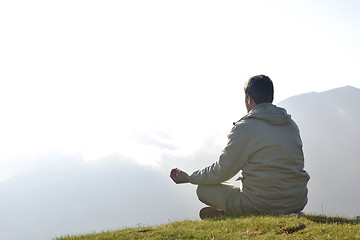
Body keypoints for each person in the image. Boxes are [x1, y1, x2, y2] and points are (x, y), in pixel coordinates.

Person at [170, 75, 310, 219]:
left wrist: (190, 178)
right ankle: (239, 214)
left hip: (259, 203)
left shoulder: (245, 127)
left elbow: (222, 171)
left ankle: (238, 214)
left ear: (248, 98)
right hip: (296, 201)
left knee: (203, 190)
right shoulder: (290, 125)